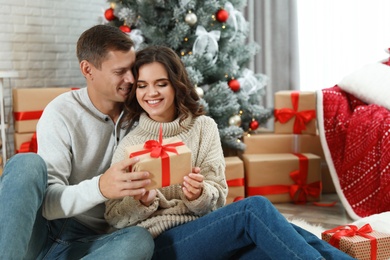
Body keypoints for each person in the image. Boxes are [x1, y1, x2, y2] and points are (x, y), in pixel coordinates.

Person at [104, 45, 354, 260]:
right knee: (253, 209)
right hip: (159, 245)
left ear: (176, 85)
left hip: (209, 233)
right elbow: (113, 217)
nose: (151, 93)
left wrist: (200, 194)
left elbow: (219, 194)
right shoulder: (130, 144)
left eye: (161, 84)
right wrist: (142, 202)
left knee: (282, 239)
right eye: (142, 86)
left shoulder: (203, 127)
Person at [0, 24, 154, 259]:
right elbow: (49, 205)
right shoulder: (61, 113)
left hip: (94, 241)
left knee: (139, 240)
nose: (131, 79)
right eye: (119, 71)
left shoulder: (141, 110)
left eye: (132, 69)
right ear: (88, 69)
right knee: (26, 164)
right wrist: (101, 187)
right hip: (44, 233)